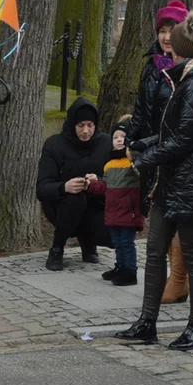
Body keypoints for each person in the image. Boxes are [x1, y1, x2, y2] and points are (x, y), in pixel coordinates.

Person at [115, 9, 193, 350]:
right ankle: (147, 321)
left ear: (181, 50)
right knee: (154, 251)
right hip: (171, 183)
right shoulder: (187, 80)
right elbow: (172, 132)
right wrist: (140, 143)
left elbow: (184, 139)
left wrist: (145, 159)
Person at [126, 0, 190, 306]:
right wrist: (125, 133)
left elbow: (178, 126)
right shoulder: (151, 66)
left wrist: (146, 144)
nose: (166, 37)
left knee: (177, 218)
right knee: (158, 214)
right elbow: (141, 111)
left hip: (174, 154)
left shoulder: (186, 70)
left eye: (172, 30)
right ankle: (174, 278)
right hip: (153, 153)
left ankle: (180, 279)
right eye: (163, 30)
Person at [37, 98, 112, 271]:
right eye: (80, 126)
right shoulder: (54, 144)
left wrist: (99, 182)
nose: (86, 131)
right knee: (75, 199)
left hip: (95, 204)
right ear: (72, 124)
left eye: (90, 125)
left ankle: (89, 242)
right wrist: (64, 187)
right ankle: (57, 248)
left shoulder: (106, 143)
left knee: (113, 234)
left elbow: (118, 181)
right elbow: (41, 188)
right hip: (61, 205)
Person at [85, 118, 143, 287]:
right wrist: (92, 185)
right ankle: (121, 266)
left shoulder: (133, 161)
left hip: (129, 211)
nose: (119, 140)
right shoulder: (109, 164)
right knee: (117, 242)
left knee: (126, 242)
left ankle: (130, 271)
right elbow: (106, 187)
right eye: (115, 137)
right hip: (113, 210)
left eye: (123, 136)